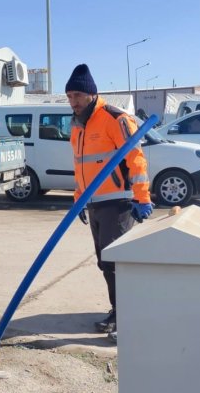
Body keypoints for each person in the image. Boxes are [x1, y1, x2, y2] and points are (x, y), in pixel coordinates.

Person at [65, 64, 153, 343]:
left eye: (78, 95)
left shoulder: (115, 118)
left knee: (118, 263)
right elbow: (81, 166)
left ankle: (129, 319)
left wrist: (142, 196)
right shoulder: (78, 124)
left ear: (92, 94)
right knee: (106, 263)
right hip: (95, 203)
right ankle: (119, 311)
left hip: (119, 202)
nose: (73, 101)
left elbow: (135, 159)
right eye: (69, 96)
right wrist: (79, 198)